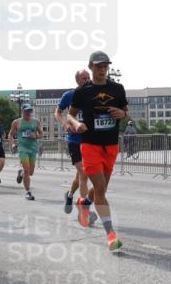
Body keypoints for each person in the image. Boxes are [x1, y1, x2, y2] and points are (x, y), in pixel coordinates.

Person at [67, 51, 128, 251]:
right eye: (99, 66)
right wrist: (76, 124)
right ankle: (111, 235)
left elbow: (127, 114)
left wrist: (123, 114)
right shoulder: (82, 91)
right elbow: (70, 115)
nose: (102, 70)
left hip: (111, 146)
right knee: (101, 189)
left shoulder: (117, 89)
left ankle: (84, 203)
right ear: (91, 67)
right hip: (90, 145)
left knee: (101, 189)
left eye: (105, 66)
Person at [55, 69, 95, 222]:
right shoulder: (69, 95)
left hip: (89, 140)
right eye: (84, 78)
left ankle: (70, 195)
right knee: (84, 174)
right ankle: (85, 211)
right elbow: (57, 112)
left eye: (88, 77)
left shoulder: (94, 96)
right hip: (74, 141)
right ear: (77, 81)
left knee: (80, 176)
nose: (87, 80)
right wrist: (65, 124)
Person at [9, 104, 42, 200]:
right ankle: (28, 192)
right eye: (26, 111)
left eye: (30, 111)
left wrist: (35, 136)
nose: (28, 113)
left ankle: (21, 173)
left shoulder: (36, 121)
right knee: (27, 170)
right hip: (23, 148)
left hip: (33, 148)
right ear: (22, 111)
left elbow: (41, 134)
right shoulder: (16, 122)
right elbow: (10, 134)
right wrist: (12, 144)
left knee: (30, 172)